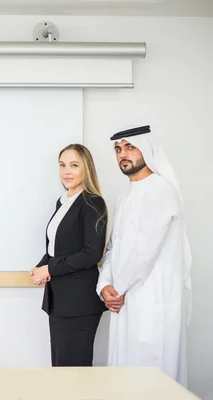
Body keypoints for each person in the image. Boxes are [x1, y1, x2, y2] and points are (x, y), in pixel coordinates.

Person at [96, 125, 192, 386]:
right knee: (125, 380)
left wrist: (117, 289)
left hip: (152, 303)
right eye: (118, 149)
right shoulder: (125, 195)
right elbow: (113, 248)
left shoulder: (161, 191)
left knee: (154, 381)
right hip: (124, 301)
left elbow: (144, 253)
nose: (122, 154)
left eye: (129, 147)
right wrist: (104, 286)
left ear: (146, 149)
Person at [30, 144, 108, 367]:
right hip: (59, 299)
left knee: (74, 371)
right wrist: (41, 266)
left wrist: (50, 269)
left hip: (79, 302)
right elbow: (56, 247)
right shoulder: (63, 202)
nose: (67, 171)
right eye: (63, 165)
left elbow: (91, 253)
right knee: (61, 368)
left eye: (74, 165)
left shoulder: (92, 202)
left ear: (86, 169)